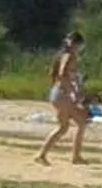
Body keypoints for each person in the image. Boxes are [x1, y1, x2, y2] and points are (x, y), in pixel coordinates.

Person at [36, 32, 89, 165]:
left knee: (64, 127)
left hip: (59, 94)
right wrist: (73, 92)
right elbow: (62, 75)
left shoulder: (65, 55)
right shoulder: (69, 56)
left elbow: (63, 75)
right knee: (81, 122)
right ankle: (75, 156)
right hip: (63, 95)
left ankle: (42, 155)